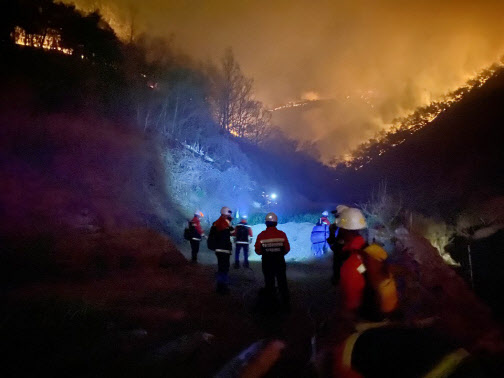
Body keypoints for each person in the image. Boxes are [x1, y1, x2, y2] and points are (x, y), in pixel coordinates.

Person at [255, 212, 291, 310]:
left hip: (267, 263)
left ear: (266, 223)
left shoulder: (261, 235)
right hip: (279, 262)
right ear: (276, 223)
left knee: (269, 282)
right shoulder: (282, 234)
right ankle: (286, 304)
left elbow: (257, 251)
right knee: (282, 282)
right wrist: (279, 253)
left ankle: (271, 304)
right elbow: (287, 248)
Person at [208, 206, 234, 294]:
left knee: (221, 268)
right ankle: (222, 287)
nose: (230, 217)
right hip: (224, 250)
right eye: (229, 215)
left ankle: (220, 286)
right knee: (224, 269)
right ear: (226, 215)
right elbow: (232, 232)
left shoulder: (217, 223)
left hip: (219, 249)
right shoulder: (224, 223)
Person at [327, 205, 349, 285]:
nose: (335, 218)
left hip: (345, 259)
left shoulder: (347, 228)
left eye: (337, 215)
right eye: (336, 216)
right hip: (339, 257)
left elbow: (339, 245)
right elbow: (335, 245)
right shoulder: (337, 227)